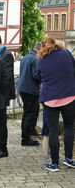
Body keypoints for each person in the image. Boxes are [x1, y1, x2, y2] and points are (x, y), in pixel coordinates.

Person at [37, 37, 75, 172]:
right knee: (69, 127)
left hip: (50, 98)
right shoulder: (66, 54)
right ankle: (69, 159)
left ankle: (54, 163)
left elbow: (39, 76)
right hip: (69, 96)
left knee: (53, 130)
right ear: (57, 45)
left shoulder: (41, 60)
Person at [17, 42, 42, 146]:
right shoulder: (36, 59)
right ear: (40, 50)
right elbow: (36, 75)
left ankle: (29, 132)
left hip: (23, 88)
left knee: (28, 113)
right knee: (30, 114)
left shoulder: (26, 57)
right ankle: (26, 139)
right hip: (31, 89)